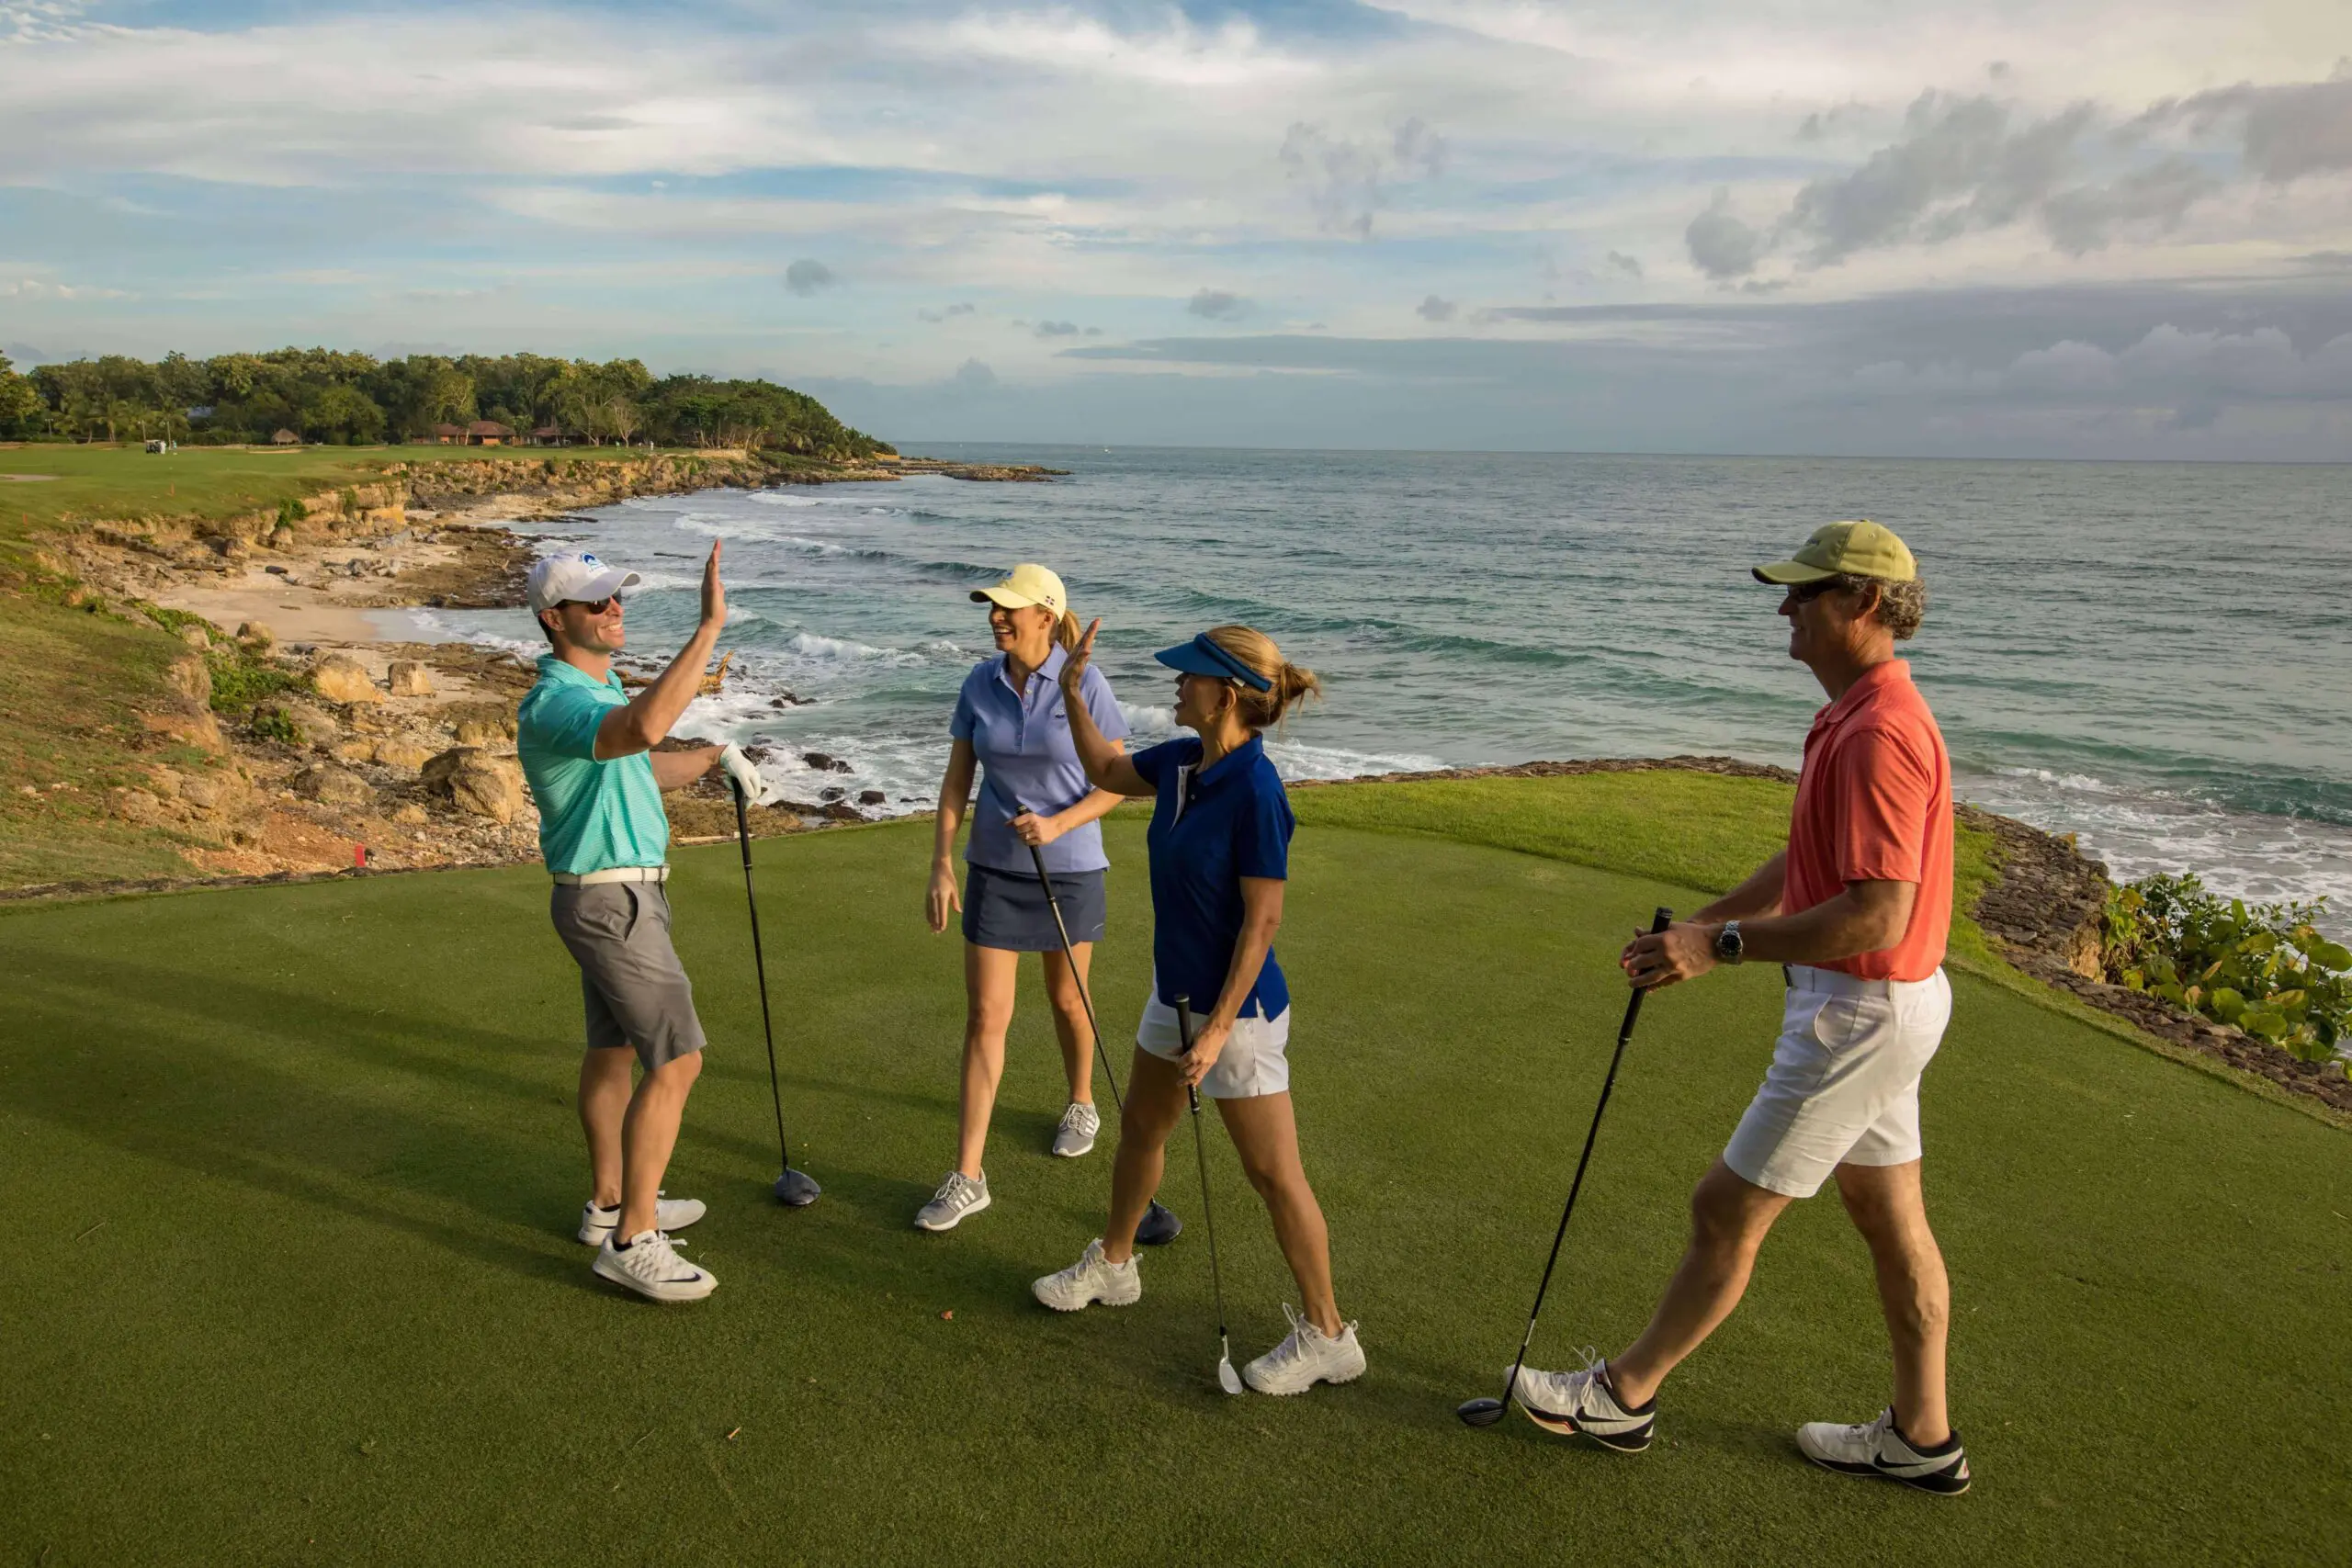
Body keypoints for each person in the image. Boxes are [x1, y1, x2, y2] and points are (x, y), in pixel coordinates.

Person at [1508, 521, 1969, 1493]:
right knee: (1890, 1220)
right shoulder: (1855, 712)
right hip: (1882, 1005)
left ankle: (1623, 1399)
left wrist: (1719, 946)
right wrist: (1708, 919)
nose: (1783, 610)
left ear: (1864, 604)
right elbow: (1809, 865)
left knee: (1725, 1208)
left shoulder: (1881, 729)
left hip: (1860, 1009)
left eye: (1804, 594)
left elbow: (1873, 910)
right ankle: (1921, 1438)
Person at [1029, 622, 1366, 1397]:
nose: (1176, 687)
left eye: (1189, 678)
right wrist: (1074, 689)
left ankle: (1327, 1333)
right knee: (1143, 1128)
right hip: (1172, 995)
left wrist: (1217, 1030)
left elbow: (1263, 922)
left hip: (1236, 1015)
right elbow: (1106, 765)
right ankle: (1115, 1264)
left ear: (1227, 692)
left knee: (1273, 1173)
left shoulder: (1257, 790)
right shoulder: (1182, 763)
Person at [516, 544, 764, 1303]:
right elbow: (642, 729)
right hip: (610, 901)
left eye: (617, 597)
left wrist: (716, 754)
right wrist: (710, 626)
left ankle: (612, 1204)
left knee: (614, 1051)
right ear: (555, 620)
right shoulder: (558, 702)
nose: (614, 608)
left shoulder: (595, 691)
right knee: (679, 1059)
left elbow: (641, 762)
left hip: (612, 895)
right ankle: (635, 1240)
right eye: (597, 602)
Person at [915, 563, 1134, 1232]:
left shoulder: (1083, 681)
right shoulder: (979, 683)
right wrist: (941, 864)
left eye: (1008, 608)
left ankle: (1080, 1100)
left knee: (1068, 999)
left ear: (1046, 615)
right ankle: (968, 1175)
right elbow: (957, 782)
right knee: (985, 1017)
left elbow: (1119, 778)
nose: (995, 617)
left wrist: (1060, 823)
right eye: (992, 607)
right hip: (995, 868)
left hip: (1068, 868)